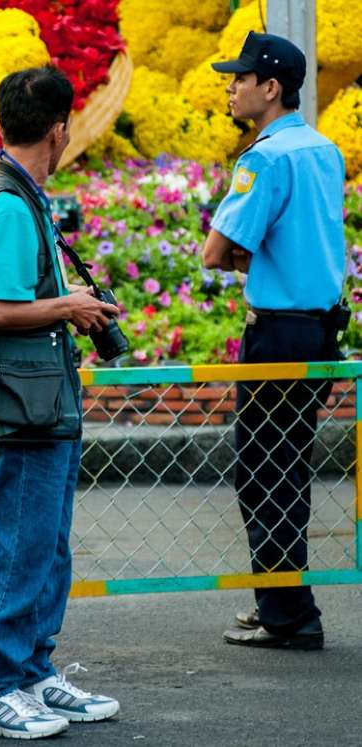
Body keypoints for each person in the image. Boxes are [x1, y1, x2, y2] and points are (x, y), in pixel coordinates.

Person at [0, 66, 120, 739]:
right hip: (23, 406)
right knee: (18, 547)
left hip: (43, 401)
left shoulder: (25, 197)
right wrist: (72, 304)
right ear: (60, 130)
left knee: (46, 548)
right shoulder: (7, 205)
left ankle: (32, 673)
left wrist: (66, 310)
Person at [202, 32, 346, 649]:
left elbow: (215, 251)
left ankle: (289, 615)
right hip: (318, 329)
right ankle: (283, 601)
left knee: (261, 470)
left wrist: (247, 260)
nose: (231, 87)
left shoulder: (264, 157)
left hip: (276, 336)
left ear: (271, 87)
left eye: (240, 78)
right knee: (287, 466)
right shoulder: (323, 150)